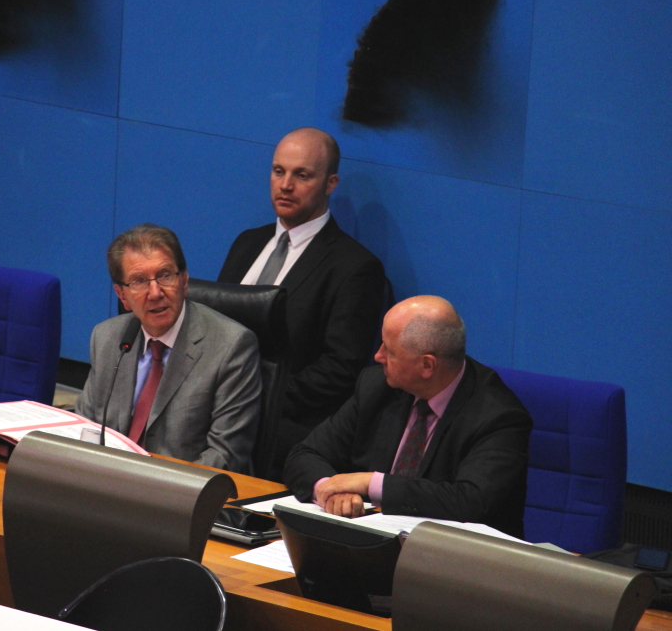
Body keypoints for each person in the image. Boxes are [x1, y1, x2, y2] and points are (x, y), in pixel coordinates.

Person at [283, 296, 532, 538]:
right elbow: (305, 454)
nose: (377, 356)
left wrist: (371, 483)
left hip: (459, 560)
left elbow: (470, 501)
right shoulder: (377, 386)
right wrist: (331, 491)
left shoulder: (498, 416)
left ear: (427, 366)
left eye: (389, 350)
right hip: (374, 544)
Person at [218, 127, 386, 468]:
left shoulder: (355, 267)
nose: (285, 185)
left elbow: (340, 369)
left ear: (331, 183)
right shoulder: (247, 243)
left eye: (302, 175)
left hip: (283, 428)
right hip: (214, 412)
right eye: (278, 171)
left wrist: (253, 399)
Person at [76, 224, 262, 473]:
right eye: (139, 281)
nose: (155, 293)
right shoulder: (108, 338)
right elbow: (85, 429)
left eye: (165, 275)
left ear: (184, 281)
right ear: (122, 295)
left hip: (185, 497)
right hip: (110, 487)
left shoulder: (231, 346)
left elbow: (225, 457)